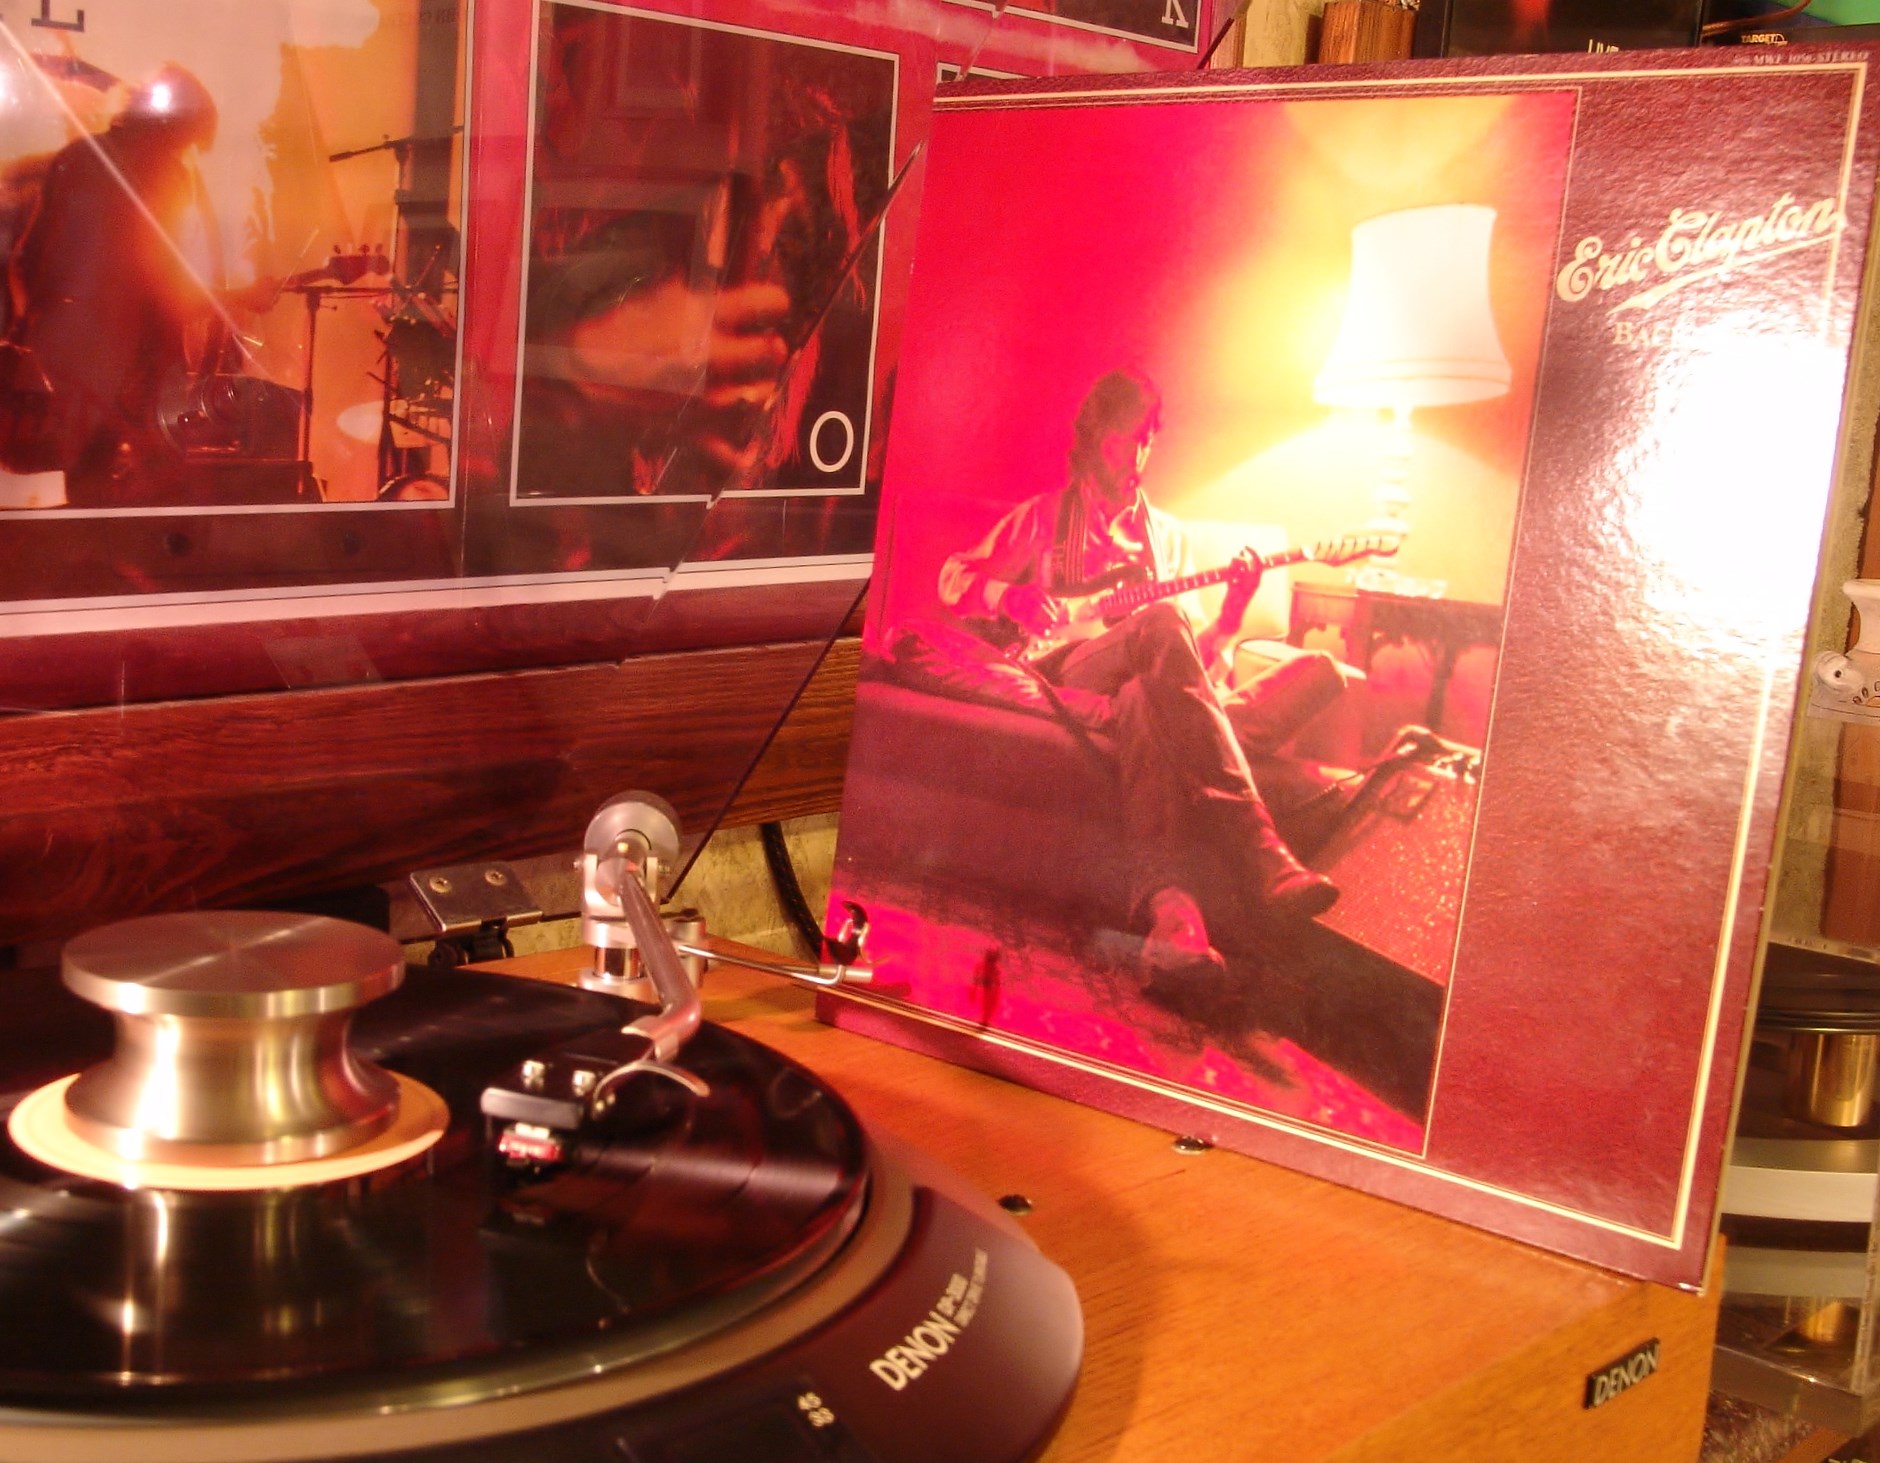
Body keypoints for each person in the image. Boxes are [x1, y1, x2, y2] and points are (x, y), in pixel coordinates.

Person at [937, 368, 1340, 984]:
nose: (1140, 455)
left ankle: (1174, 922)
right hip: (1065, 668)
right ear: (1095, 437)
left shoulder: (1167, 538)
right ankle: (1258, 842)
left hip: (1141, 683)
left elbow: (1192, 668)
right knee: (1162, 623)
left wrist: (1233, 612)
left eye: (1149, 439)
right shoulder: (1043, 518)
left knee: (1154, 696)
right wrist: (1009, 596)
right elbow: (952, 578)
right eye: (1128, 438)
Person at [2, 64, 232, 505]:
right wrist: (231, 300)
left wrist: (36, 336)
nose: (183, 153)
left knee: (90, 493)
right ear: (171, 129)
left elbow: (25, 260)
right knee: (144, 495)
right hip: (131, 372)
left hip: (81, 365)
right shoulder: (161, 177)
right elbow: (160, 288)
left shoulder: (79, 158)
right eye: (184, 141)